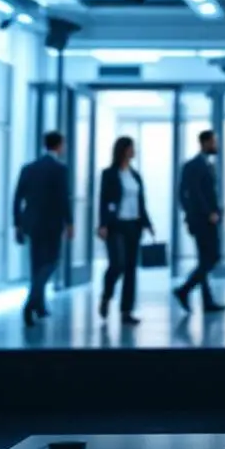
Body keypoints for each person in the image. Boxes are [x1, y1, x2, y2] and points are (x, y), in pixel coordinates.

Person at [13, 131, 73, 328]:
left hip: (32, 223)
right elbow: (63, 199)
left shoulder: (29, 168)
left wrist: (18, 224)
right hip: (52, 223)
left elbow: (17, 197)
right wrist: (69, 223)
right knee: (52, 262)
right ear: (59, 145)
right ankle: (31, 302)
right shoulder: (60, 169)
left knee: (37, 264)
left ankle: (39, 306)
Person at [97, 136, 153, 325]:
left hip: (134, 225)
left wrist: (147, 223)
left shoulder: (135, 175)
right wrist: (102, 224)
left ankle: (126, 311)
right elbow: (103, 200)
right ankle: (106, 295)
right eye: (131, 148)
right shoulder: (109, 174)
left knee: (130, 269)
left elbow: (141, 202)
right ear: (123, 150)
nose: (134, 151)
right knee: (117, 264)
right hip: (116, 225)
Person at [174, 130, 225, 314]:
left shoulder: (208, 165)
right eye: (213, 142)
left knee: (205, 259)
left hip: (210, 218)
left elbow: (208, 193)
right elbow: (191, 193)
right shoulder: (193, 165)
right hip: (202, 220)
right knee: (212, 257)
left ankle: (207, 301)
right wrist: (204, 213)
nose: (216, 145)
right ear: (204, 143)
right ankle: (184, 290)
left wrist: (217, 210)